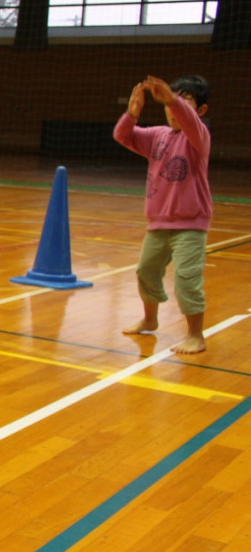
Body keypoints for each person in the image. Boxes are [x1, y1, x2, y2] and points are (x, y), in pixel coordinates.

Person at [114, 74, 212, 354]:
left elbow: (189, 122)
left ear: (200, 111)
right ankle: (150, 318)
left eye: (183, 103)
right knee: (146, 271)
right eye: (169, 104)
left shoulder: (199, 137)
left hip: (190, 226)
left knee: (186, 280)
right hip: (158, 224)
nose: (173, 109)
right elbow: (123, 136)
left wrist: (171, 97)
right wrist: (131, 114)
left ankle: (196, 335)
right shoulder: (158, 136)